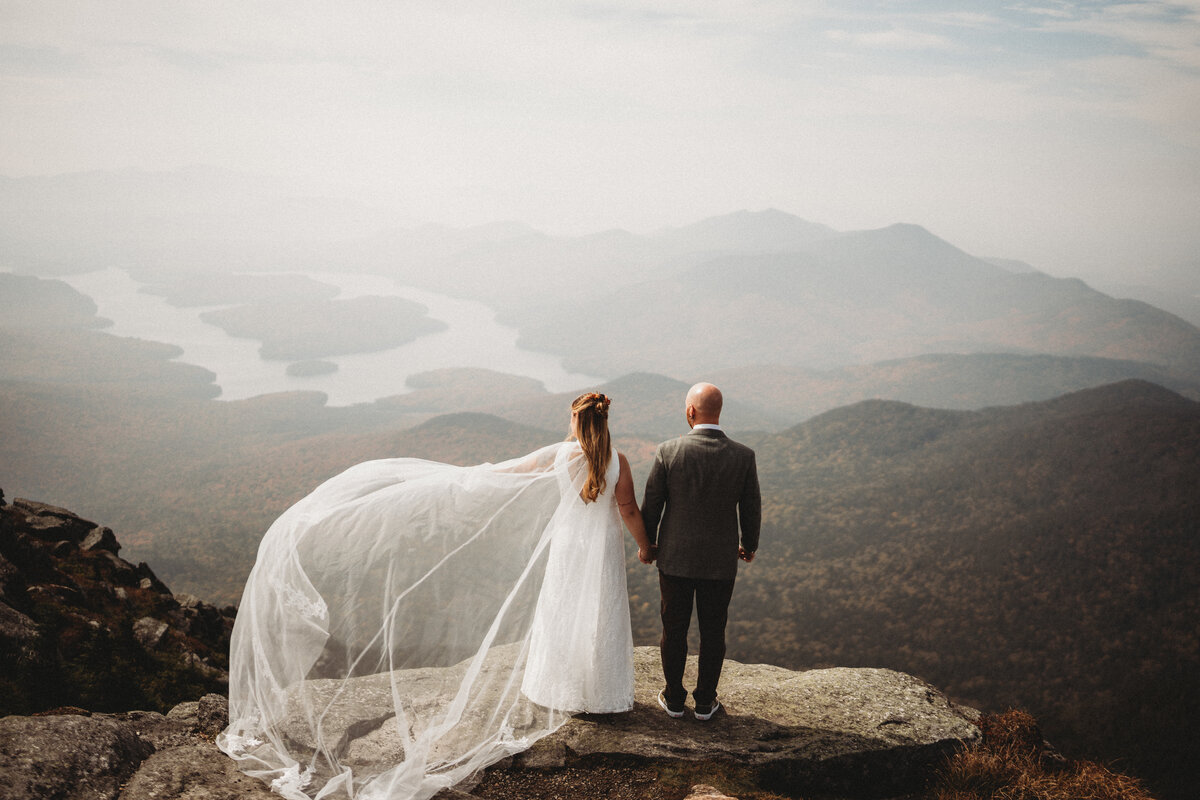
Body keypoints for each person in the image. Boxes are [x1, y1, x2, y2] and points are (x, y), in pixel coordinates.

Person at [218, 392, 653, 800]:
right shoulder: (619, 461)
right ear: (605, 421)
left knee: (562, 610)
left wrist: (469, 478)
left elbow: (510, 475)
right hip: (598, 554)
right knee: (598, 615)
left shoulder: (559, 456)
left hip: (567, 551)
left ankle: (558, 687)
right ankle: (600, 692)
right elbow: (628, 508)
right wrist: (645, 546)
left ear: (577, 420)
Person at [641, 382, 761, 721]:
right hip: (720, 562)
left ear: (690, 412)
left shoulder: (668, 451)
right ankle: (706, 701)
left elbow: (652, 505)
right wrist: (748, 546)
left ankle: (675, 699)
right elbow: (751, 508)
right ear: (718, 412)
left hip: (675, 559)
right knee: (713, 631)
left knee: (674, 629)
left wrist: (648, 546)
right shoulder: (743, 456)